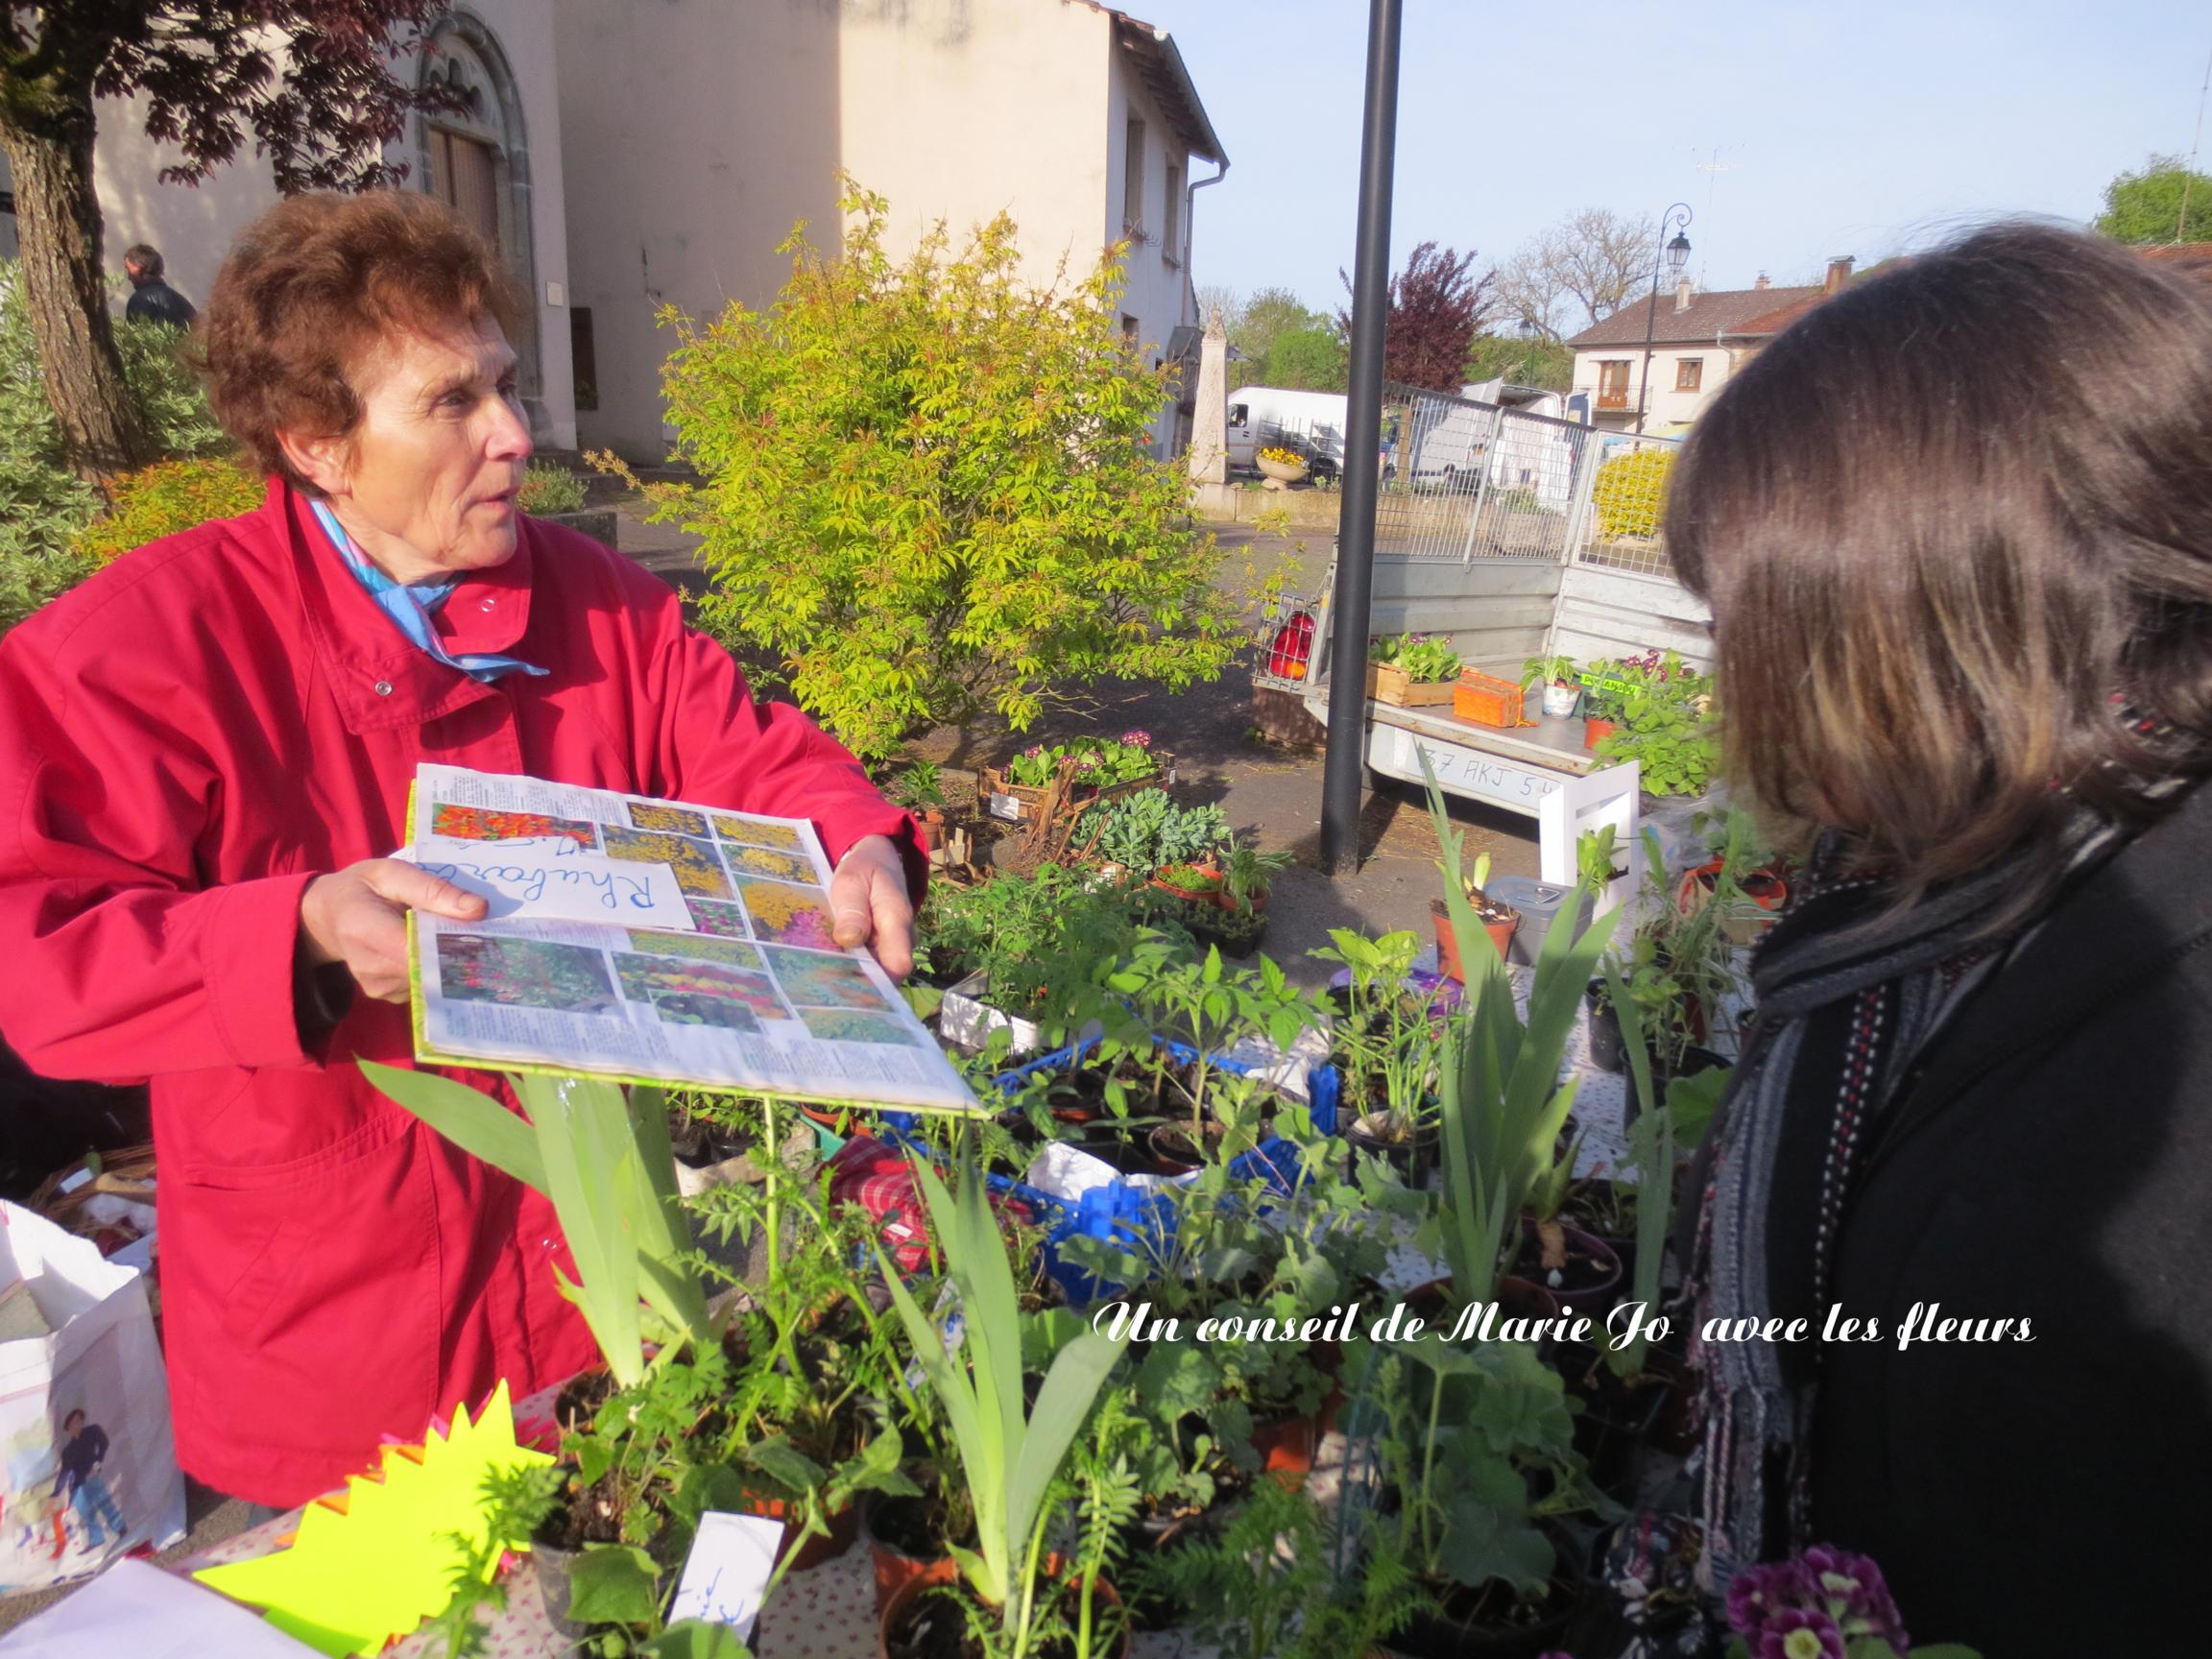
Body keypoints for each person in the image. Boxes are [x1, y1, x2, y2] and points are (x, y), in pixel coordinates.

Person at [0, 191, 924, 1509]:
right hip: (332, 1337)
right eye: (452, 403)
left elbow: (753, 755)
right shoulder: (143, 648)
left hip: (594, 1288)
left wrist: (855, 841)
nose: (515, 436)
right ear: (318, 443)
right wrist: (301, 936)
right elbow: (40, 955)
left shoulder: (599, 603)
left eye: (504, 384)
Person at [1671, 222, 2212, 1656]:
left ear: (1946, 624)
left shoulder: (2164, 1019)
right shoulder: (1970, 876)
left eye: (1760, 629)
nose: (1733, 683)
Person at [50, 1410, 125, 1553]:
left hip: (92, 1478)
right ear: (68, 1428)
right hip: (77, 1486)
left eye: (79, 1421)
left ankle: (121, 1529)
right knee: (86, 1513)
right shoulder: (68, 1451)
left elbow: (104, 1442)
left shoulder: (92, 1432)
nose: (77, 1425)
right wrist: (56, 1491)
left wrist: (98, 1460)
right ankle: (96, 1540)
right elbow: (65, 1472)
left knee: (105, 1504)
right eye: (73, 1423)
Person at [121, 244, 196, 328]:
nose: (129, 277)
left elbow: (138, 337)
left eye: (128, 269)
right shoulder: (181, 301)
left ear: (140, 269)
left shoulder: (140, 300)